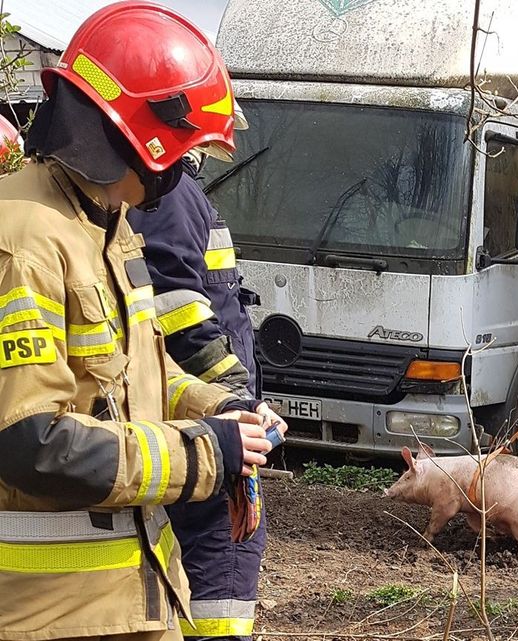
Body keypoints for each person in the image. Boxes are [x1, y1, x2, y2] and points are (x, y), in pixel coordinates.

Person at [0, 3, 276, 640]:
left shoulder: (101, 227)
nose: (184, 170)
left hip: (130, 599)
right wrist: (204, 453)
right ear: (143, 136)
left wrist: (219, 409)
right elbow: (33, 444)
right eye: (186, 150)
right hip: (48, 615)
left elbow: (129, 385)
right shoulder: (28, 241)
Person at [127, 132, 279, 641]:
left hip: (199, 423)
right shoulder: (167, 195)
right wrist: (237, 402)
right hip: (204, 433)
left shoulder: (172, 193)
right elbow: (177, 310)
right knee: (222, 568)